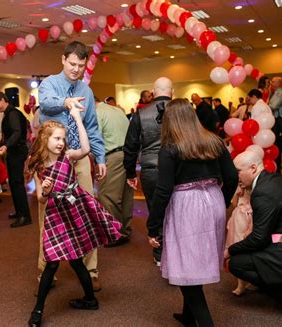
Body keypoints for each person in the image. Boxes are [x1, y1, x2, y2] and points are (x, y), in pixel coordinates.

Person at [26, 108, 121, 327]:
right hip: (55, 215)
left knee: (77, 259)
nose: (61, 142)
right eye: (57, 138)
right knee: (52, 262)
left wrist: (78, 119)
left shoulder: (68, 157)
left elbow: (86, 148)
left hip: (73, 211)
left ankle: (90, 299)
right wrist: (47, 191)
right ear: (45, 139)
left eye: (63, 139)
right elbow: (41, 198)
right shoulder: (39, 167)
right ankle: (38, 310)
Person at [148, 99, 238, 327]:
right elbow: (232, 177)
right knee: (193, 260)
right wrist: (223, 201)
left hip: (187, 206)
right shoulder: (214, 141)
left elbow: (163, 190)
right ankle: (189, 316)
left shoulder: (170, 148)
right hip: (213, 200)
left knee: (186, 266)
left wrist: (153, 226)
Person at [38, 41, 106, 289]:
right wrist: (66, 102)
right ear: (63, 60)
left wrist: (99, 157)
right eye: (72, 64)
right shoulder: (49, 84)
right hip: (53, 162)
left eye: (81, 65)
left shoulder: (86, 91)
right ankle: (44, 270)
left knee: (87, 211)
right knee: (49, 215)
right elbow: (45, 104)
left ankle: (91, 270)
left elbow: (92, 127)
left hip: (79, 159)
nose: (76, 69)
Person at [228, 151, 282, 319]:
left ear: (253, 168)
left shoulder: (263, 191)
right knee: (253, 255)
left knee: (237, 264)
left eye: (238, 171)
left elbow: (259, 238)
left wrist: (230, 250)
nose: (235, 175)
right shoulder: (271, 180)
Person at [124, 77, 173, 265]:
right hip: (178, 169)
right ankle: (178, 251)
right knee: (179, 209)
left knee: (155, 209)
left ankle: (160, 254)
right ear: (172, 92)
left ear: (153, 93)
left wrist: (130, 172)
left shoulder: (140, 114)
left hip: (151, 169)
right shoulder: (183, 112)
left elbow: (130, 147)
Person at [96, 98, 133, 246]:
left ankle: (115, 233)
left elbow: (95, 139)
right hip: (127, 154)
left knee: (107, 195)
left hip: (112, 156)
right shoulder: (118, 111)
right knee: (125, 195)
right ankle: (125, 230)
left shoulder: (97, 113)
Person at [0, 92, 32, 228]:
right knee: (14, 184)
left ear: (3, 100)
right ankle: (19, 212)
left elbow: (17, 132)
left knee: (17, 183)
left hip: (17, 152)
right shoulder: (8, 113)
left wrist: (5, 145)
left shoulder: (13, 113)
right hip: (13, 152)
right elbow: (9, 135)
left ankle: (25, 216)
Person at [224, 185, 253, 296]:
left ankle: (250, 281)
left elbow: (235, 203)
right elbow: (235, 203)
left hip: (248, 218)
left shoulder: (253, 186)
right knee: (237, 245)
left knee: (248, 248)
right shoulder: (242, 186)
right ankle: (241, 284)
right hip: (240, 218)